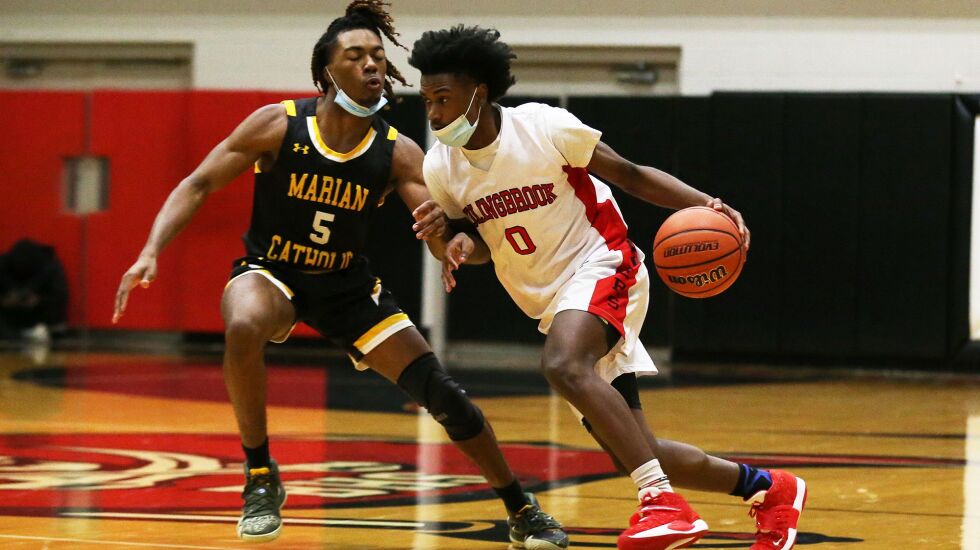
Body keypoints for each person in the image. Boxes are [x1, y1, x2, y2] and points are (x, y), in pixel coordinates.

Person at [112, 4, 567, 548]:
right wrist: (150, 250)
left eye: (378, 55)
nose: (372, 64)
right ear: (327, 70)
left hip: (347, 286)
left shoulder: (398, 152)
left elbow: (447, 242)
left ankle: (521, 507)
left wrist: (453, 244)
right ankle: (260, 474)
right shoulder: (277, 124)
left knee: (445, 396)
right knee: (245, 323)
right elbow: (198, 183)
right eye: (356, 56)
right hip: (273, 271)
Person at [410, 25, 807, 550]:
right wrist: (456, 245)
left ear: (478, 93)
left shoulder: (543, 126)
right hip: (552, 302)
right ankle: (770, 490)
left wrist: (706, 204)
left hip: (604, 262)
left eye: (443, 99)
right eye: (427, 101)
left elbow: (630, 174)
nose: (434, 114)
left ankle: (663, 505)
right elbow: (482, 241)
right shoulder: (441, 167)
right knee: (636, 451)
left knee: (562, 364)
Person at [0, 238, 68, 344]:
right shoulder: (3, 266)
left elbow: (59, 296)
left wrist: (39, 301)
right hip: (8, 318)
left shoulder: (49, 268)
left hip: (41, 317)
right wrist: (4, 301)